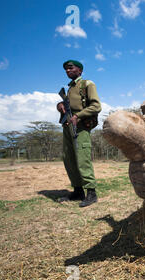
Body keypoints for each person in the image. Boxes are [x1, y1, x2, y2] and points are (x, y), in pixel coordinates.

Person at [57, 60, 101, 207]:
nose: (67, 71)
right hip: (67, 125)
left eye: (70, 68)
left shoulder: (87, 84)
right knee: (68, 158)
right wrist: (60, 106)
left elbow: (96, 106)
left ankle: (91, 193)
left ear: (80, 70)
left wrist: (78, 116)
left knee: (82, 158)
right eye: (66, 69)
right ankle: (77, 191)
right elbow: (68, 105)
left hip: (80, 126)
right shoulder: (70, 88)